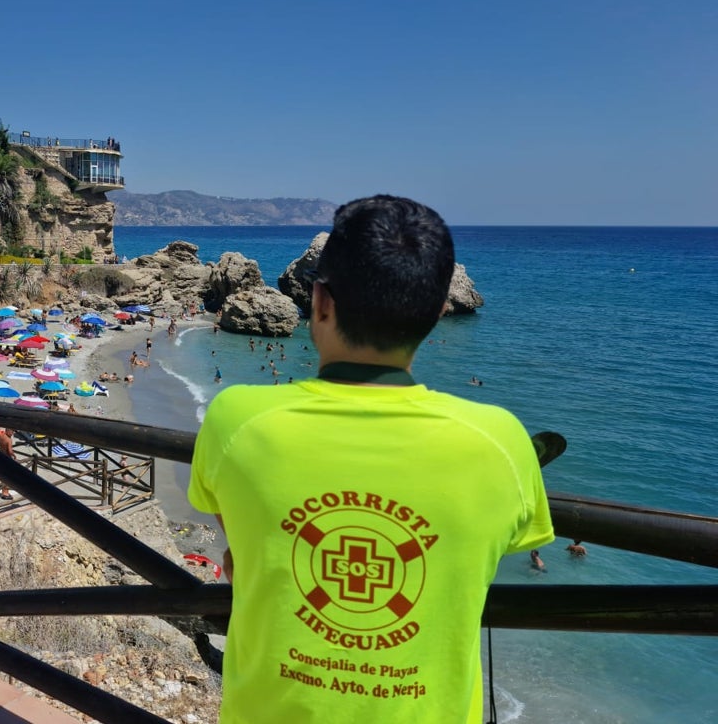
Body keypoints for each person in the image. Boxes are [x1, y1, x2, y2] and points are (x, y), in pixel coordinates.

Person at [188, 195, 553, 724]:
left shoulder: (235, 419)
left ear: (319, 302)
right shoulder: (501, 441)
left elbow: (242, 547)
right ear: (438, 311)